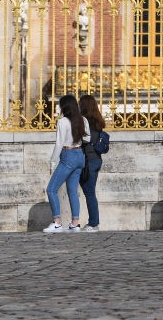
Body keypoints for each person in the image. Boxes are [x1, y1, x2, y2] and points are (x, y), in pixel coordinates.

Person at [43, 94, 90, 233]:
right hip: (79, 155)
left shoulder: (63, 122)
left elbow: (59, 144)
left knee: (51, 189)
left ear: (64, 107)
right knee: (72, 191)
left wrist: (53, 162)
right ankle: (75, 223)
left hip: (68, 155)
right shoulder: (83, 120)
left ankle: (57, 222)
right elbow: (88, 138)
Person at [78, 94, 106, 233]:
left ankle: (93, 223)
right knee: (89, 192)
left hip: (88, 159)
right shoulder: (98, 120)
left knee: (89, 192)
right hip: (96, 158)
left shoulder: (83, 121)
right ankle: (92, 222)